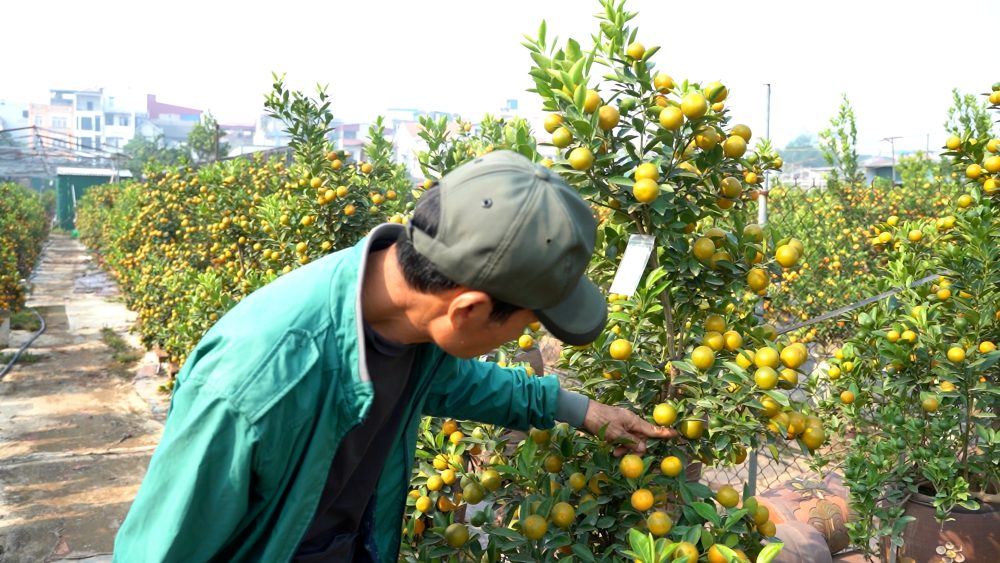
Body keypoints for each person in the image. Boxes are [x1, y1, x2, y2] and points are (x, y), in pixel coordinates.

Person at [113, 150, 675, 562]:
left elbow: (459, 383)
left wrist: (583, 411)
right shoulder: (254, 383)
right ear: (470, 309)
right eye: (531, 323)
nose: (527, 343)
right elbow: (160, 549)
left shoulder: (408, 327)